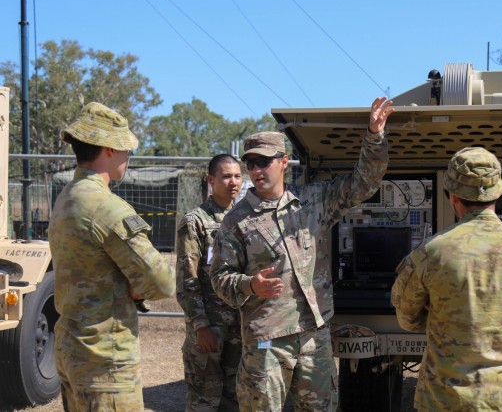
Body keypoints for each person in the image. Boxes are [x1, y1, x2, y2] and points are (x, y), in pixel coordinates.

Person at [209, 97, 394, 411]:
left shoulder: (314, 200)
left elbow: (364, 183)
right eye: (250, 163)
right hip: (267, 340)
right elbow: (219, 279)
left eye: (263, 161)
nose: (256, 170)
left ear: (283, 161)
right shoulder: (235, 221)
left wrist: (374, 136)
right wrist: (249, 285)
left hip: (313, 335)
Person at [391, 146, 502, 411]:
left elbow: (407, 319)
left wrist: (442, 311)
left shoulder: (431, 252)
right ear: (498, 192)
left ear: (453, 196)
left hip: (444, 399)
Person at [49, 102, 176, 411]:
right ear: (108, 149)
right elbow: (162, 283)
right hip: (105, 360)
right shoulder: (107, 207)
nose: (128, 156)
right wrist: (135, 287)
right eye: (125, 149)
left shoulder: (67, 197)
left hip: (72, 348)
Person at [176, 154, 243, 412]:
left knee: (235, 396)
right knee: (204, 398)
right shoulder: (195, 221)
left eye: (237, 176)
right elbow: (187, 277)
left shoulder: (245, 218)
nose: (233, 182)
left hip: (239, 326)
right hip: (210, 327)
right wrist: (200, 324)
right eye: (226, 176)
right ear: (211, 180)